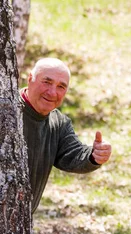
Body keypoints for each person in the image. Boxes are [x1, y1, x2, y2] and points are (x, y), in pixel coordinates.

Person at [20, 58, 112, 213]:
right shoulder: (6, 112)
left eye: (61, 86)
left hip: (18, 225)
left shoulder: (59, 123)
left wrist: (94, 156)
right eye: (47, 82)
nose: (52, 92)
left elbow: (73, 155)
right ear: (30, 79)